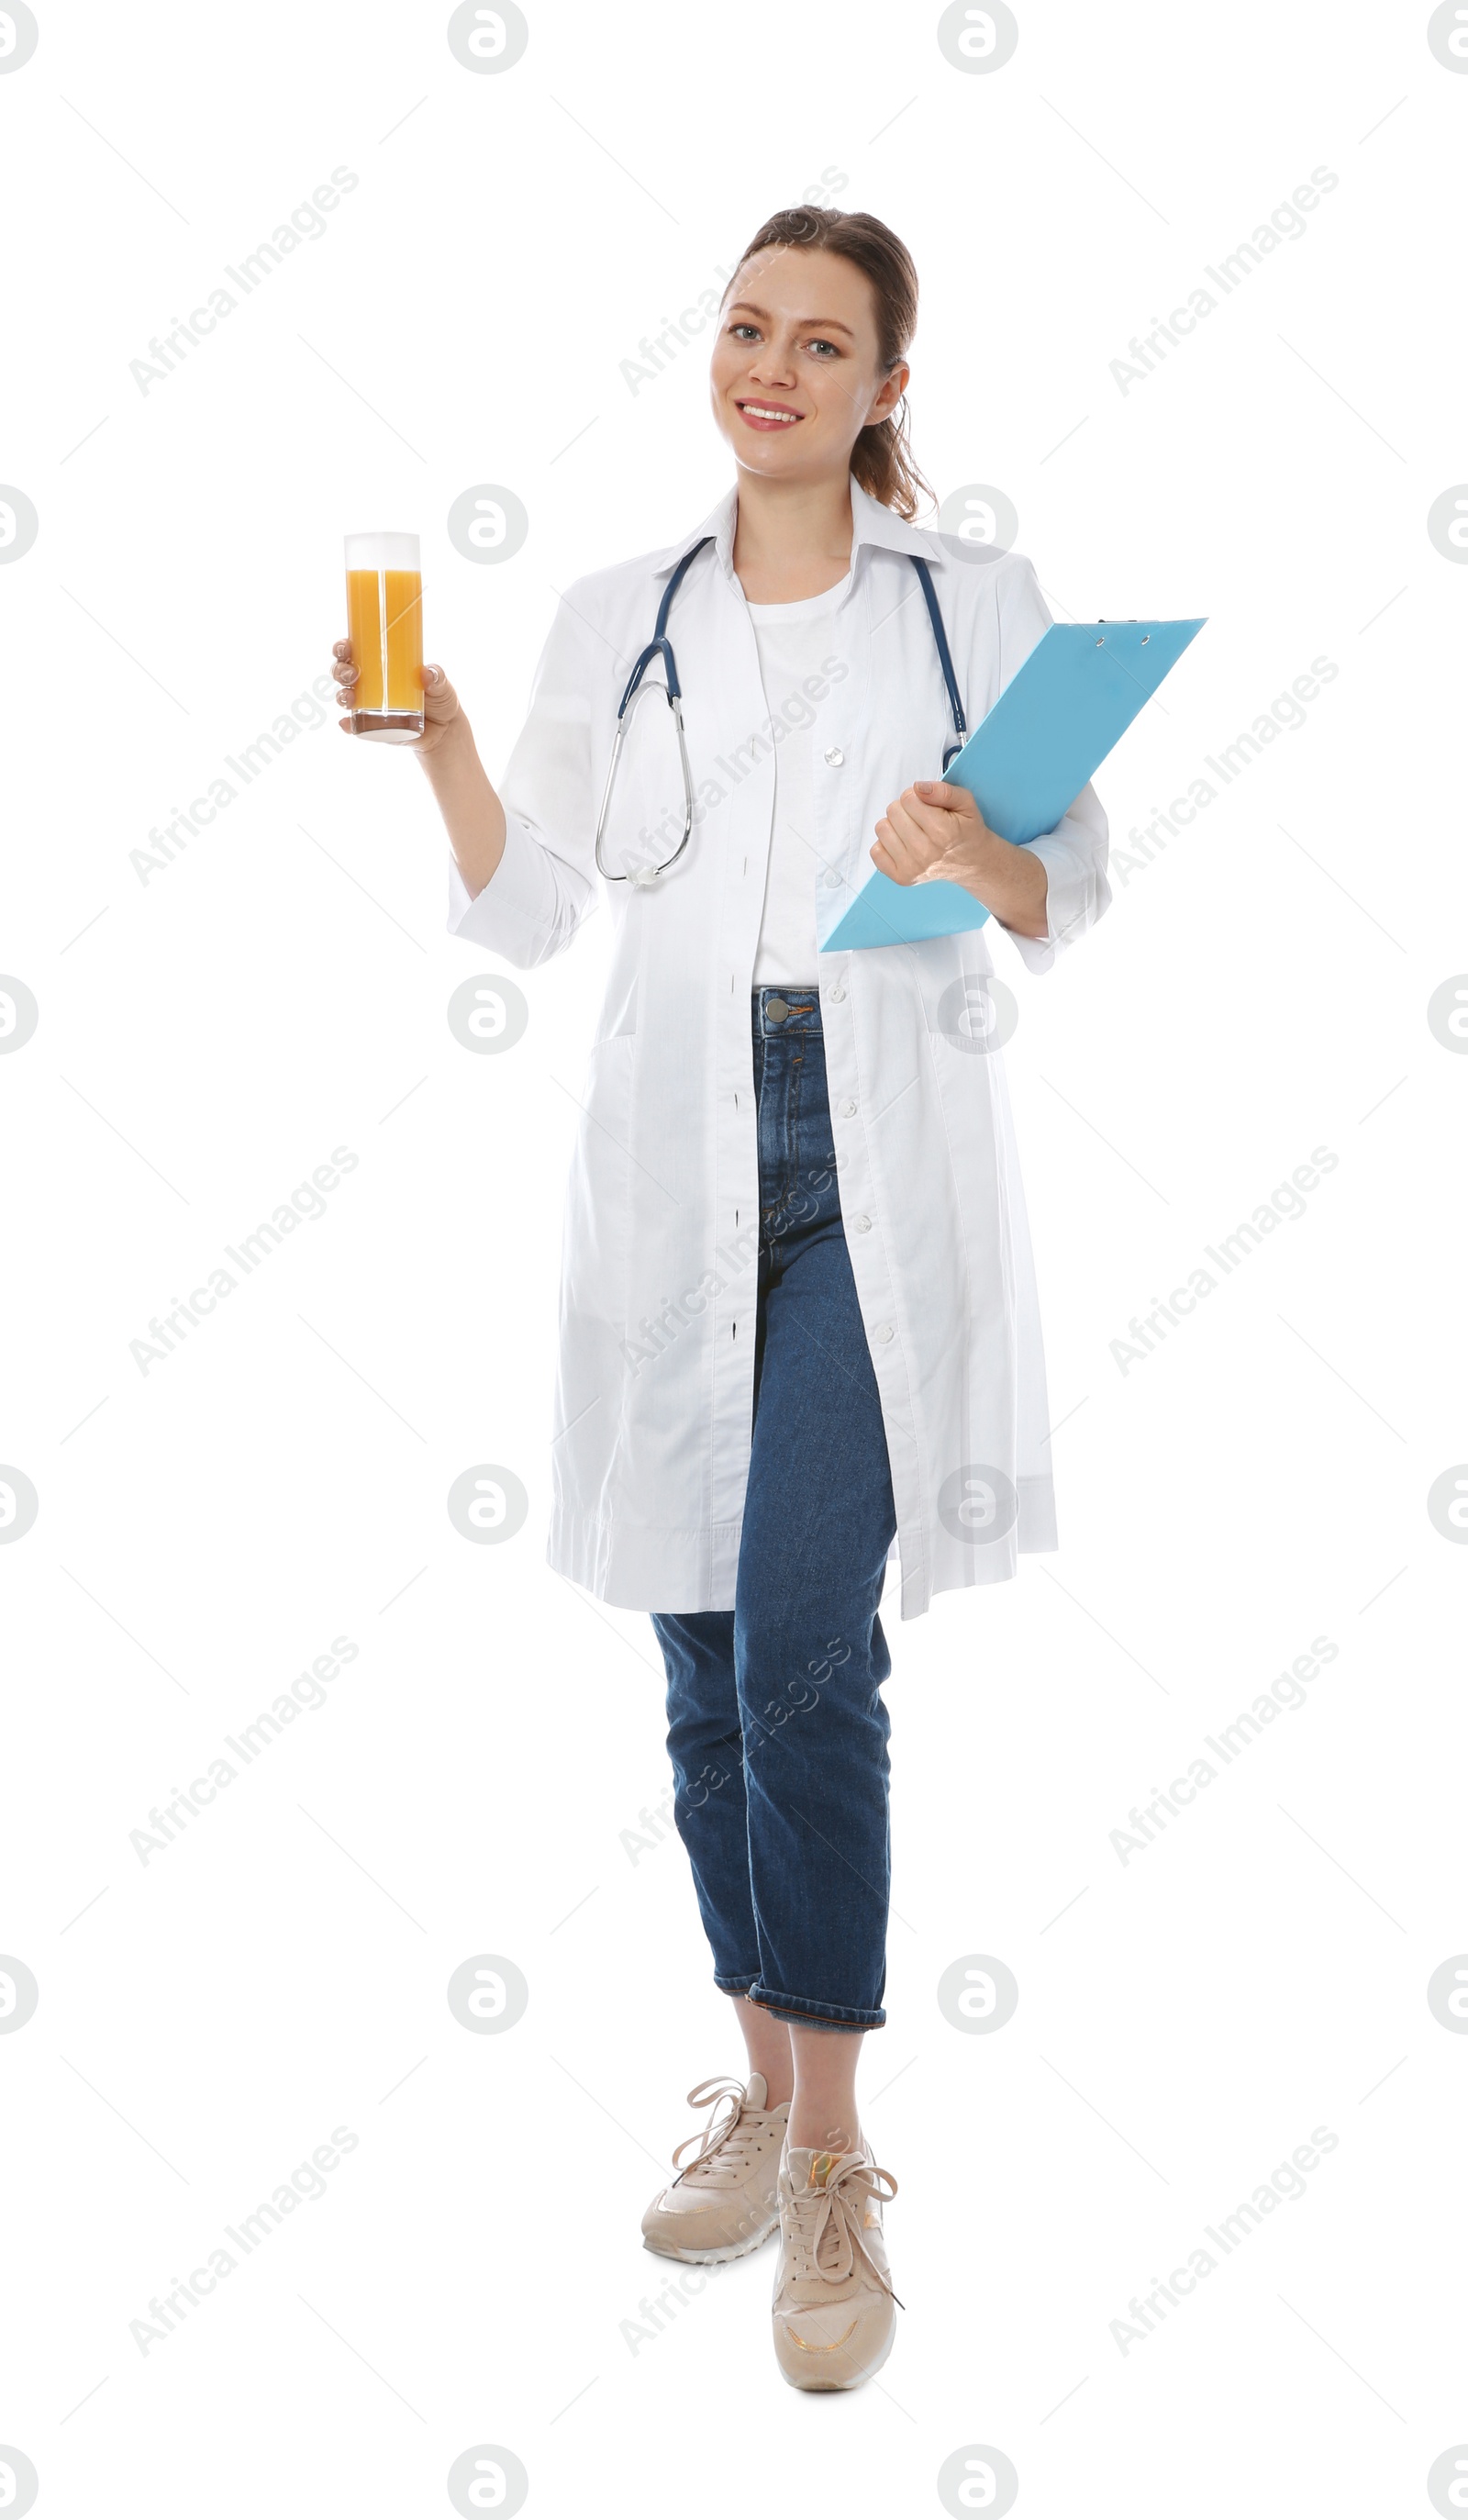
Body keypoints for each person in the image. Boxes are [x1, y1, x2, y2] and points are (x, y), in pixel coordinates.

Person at [332, 204, 1109, 2391]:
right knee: (695, 1655)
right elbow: (536, 903)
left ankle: (839, 2164)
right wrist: (447, 744)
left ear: (884, 390)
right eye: (744, 326)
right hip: (675, 1154)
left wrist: (979, 859)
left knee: (796, 1647)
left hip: (869, 1160)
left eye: (819, 340)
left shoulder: (971, 609)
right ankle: (759, 2084)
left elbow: (1070, 886)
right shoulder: (619, 612)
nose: (766, 363)